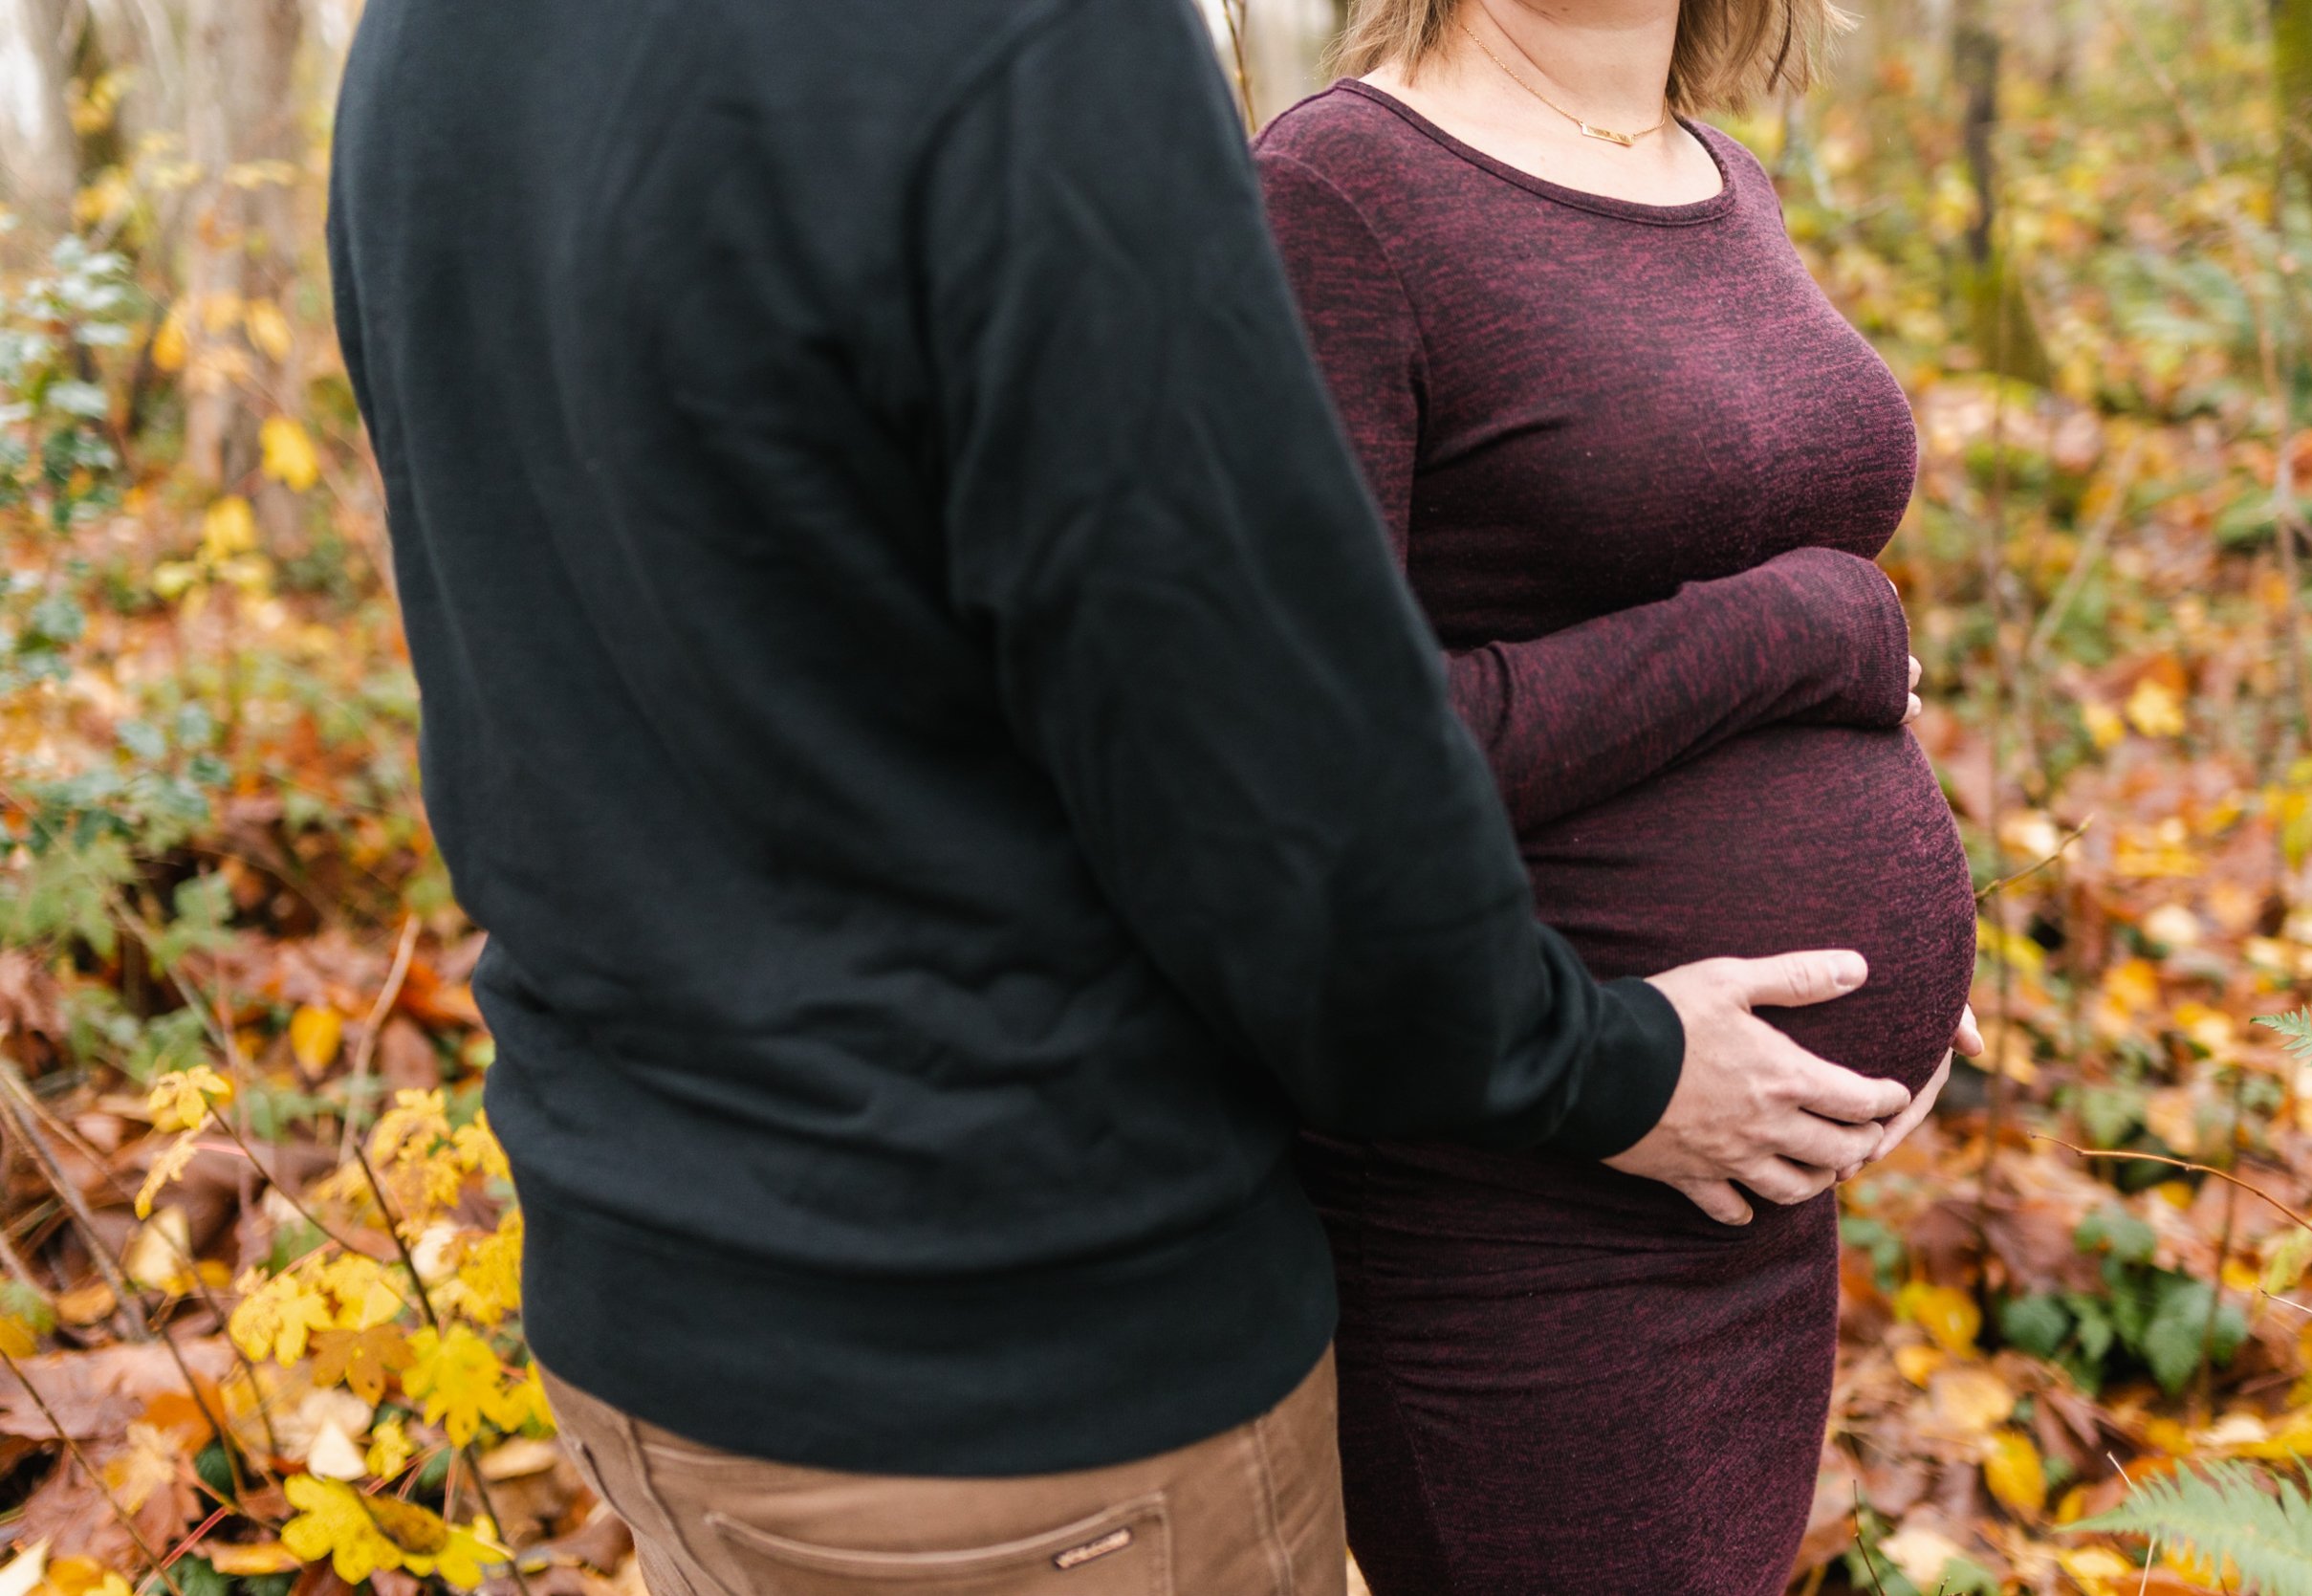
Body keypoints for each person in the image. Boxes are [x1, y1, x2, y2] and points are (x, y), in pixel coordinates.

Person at [326, 0, 1941, 1589]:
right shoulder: (1045, 50)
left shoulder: (434, 38)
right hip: (1021, 1346)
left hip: (657, 1304)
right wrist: (1605, 1061)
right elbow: (1274, 783)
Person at [1254, 0, 1982, 1589]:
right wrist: (1804, 630)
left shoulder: (1722, 174)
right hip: (1531, 1204)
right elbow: (1324, 760)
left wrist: (1914, 951)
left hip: (1752, 1197)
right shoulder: (1336, 193)